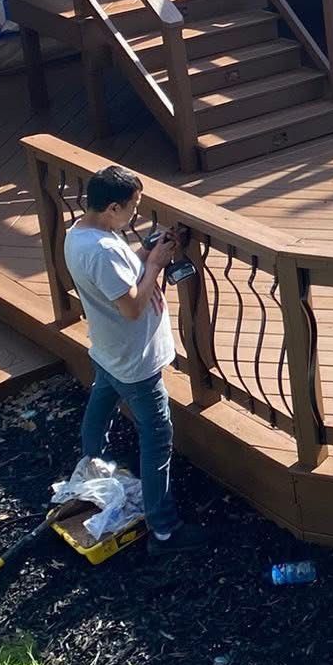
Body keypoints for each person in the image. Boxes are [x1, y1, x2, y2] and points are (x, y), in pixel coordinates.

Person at [63, 163, 202, 554]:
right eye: (132, 206)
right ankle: (164, 529)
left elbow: (122, 278)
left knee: (101, 400)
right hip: (134, 360)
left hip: (108, 350)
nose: (136, 213)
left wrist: (146, 253)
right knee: (157, 438)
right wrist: (155, 266)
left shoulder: (80, 233)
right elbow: (131, 308)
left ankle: (93, 469)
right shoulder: (102, 251)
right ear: (111, 208)